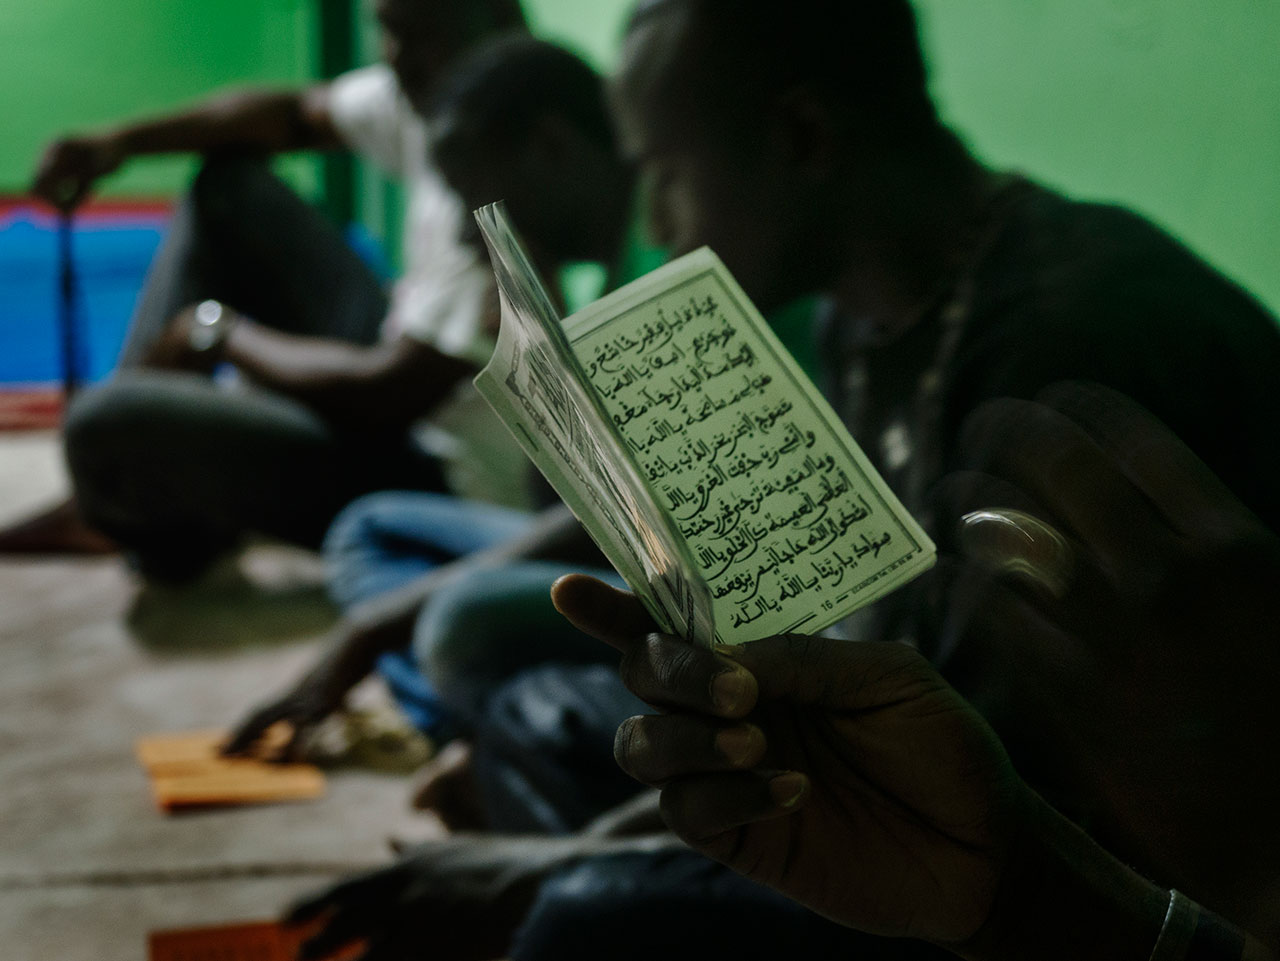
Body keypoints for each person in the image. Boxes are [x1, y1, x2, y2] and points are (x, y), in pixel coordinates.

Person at [0, 0, 532, 579]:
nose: (397, 59)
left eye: (420, 35)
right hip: (403, 363)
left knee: (104, 422)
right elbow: (295, 112)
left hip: (438, 467)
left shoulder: (510, 169)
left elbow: (387, 395)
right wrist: (118, 144)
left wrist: (219, 334)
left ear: (498, 23)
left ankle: (142, 505)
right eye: (387, 32)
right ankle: (116, 495)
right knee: (231, 191)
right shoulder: (437, 92)